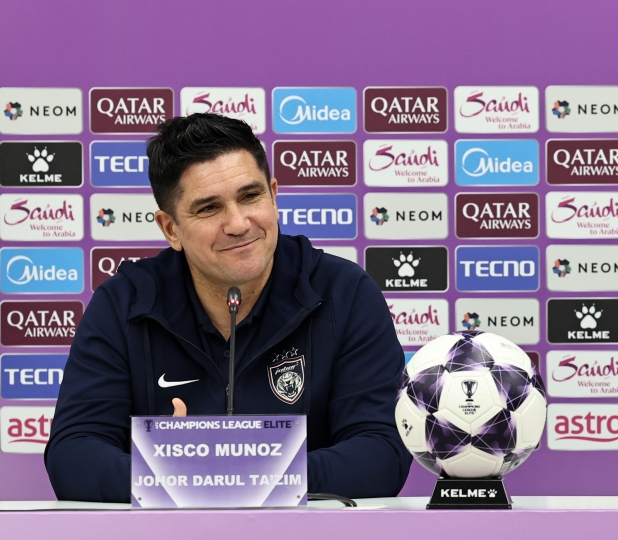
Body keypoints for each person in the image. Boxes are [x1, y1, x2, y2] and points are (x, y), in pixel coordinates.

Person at [45, 113, 411, 502]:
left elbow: (382, 451)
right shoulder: (123, 304)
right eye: (208, 209)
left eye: (250, 196)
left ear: (273, 193)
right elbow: (74, 455)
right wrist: (191, 477)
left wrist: (229, 474)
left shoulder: (345, 293)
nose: (238, 223)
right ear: (171, 229)